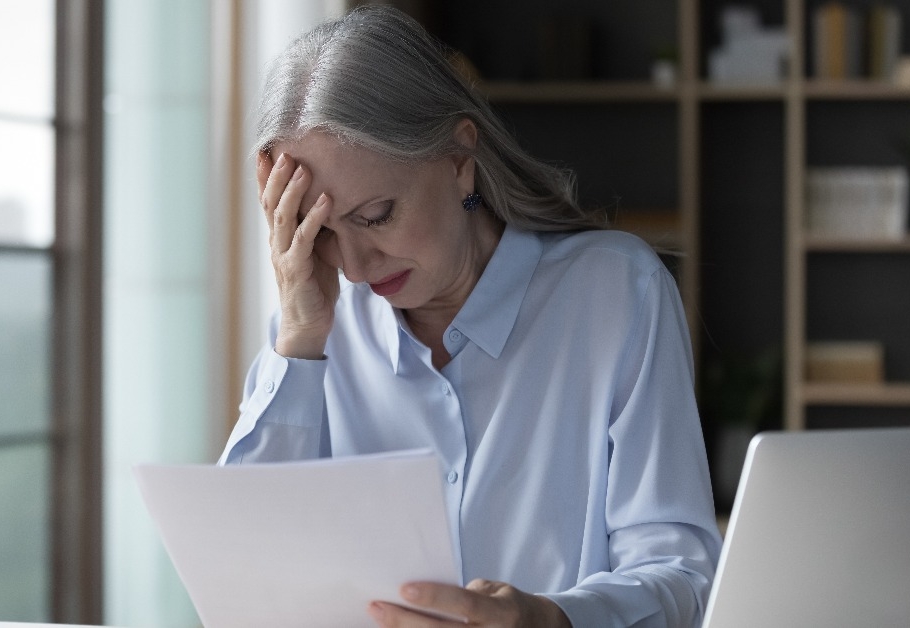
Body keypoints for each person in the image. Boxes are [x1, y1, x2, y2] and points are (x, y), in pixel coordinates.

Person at [218, 6, 721, 627]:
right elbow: (243, 582)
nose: (352, 266)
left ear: (460, 158)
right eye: (320, 232)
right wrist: (297, 344)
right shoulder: (311, 335)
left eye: (376, 216)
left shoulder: (614, 291)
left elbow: (683, 576)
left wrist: (553, 620)